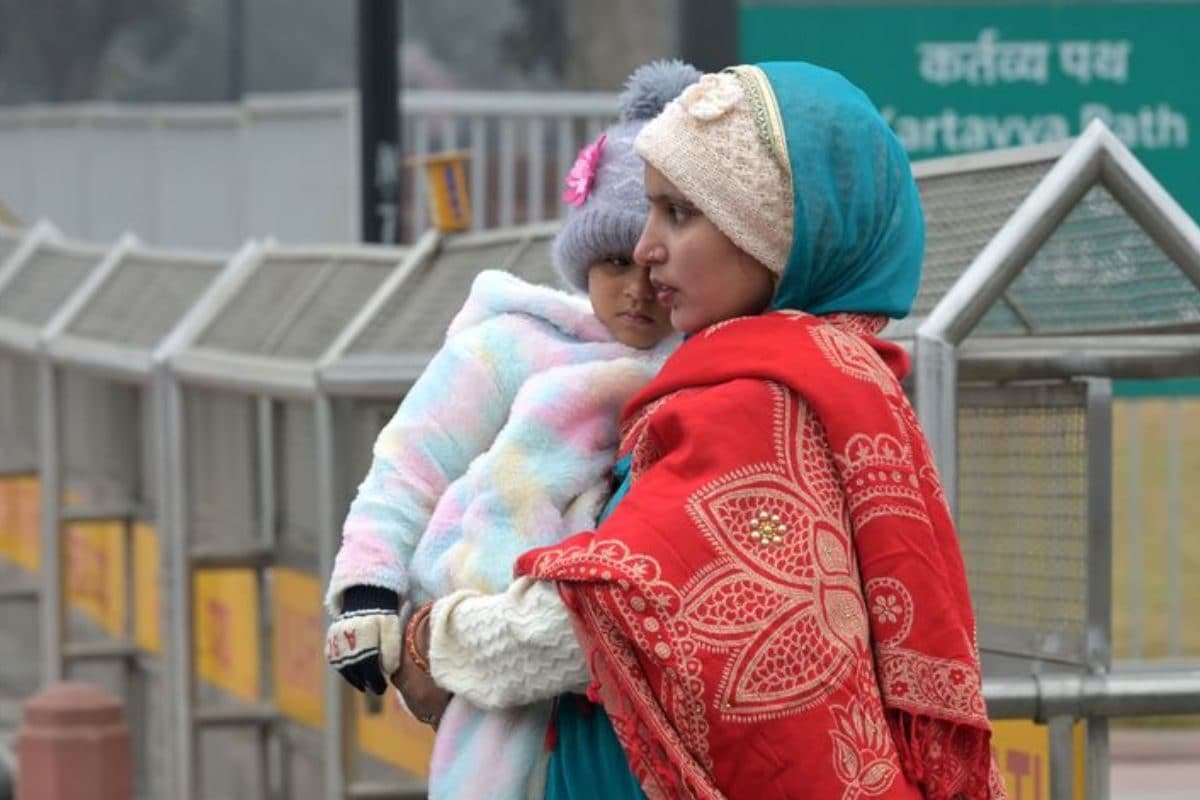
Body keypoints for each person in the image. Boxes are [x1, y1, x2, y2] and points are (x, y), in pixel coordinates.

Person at [397, 62, 1007, 800]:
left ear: (778, 233)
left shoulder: (755, 400)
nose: (647, 247)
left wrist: (435, 642)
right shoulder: (832, 374)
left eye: (680, 213)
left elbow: (613, 613)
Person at [323, 60, 702, 800]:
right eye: (612, 260)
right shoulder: (510, 346)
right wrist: (368, 589)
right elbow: (409, 462)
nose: (635, 289)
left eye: (651, 267)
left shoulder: (707, 365)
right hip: (495, 644)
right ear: (581, 259)